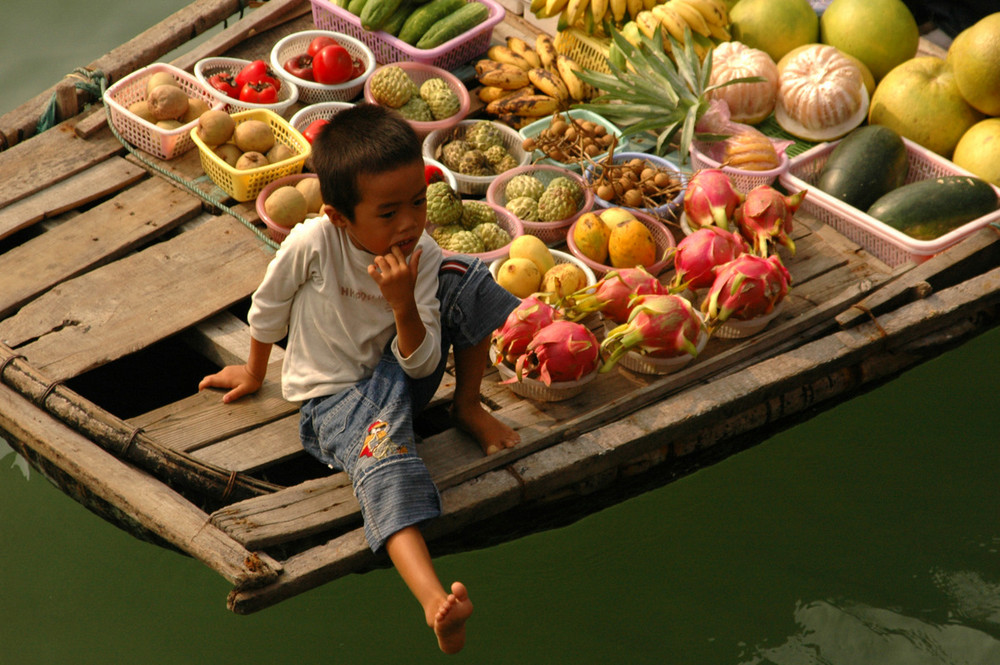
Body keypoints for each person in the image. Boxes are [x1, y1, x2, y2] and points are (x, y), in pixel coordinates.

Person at [198, 104, 521, 653]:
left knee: (469, 281)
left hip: (406, 371)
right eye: (389, 212)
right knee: (386, 464)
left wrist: (402, 305)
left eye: (417, 202)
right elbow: (268, 308)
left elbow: (422, 368)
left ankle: (468, 405)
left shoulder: (422, 255)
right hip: (339, 399)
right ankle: (433, 603)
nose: (409, 223)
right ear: (341, 217)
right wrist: (255, 370)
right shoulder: (312, 242)